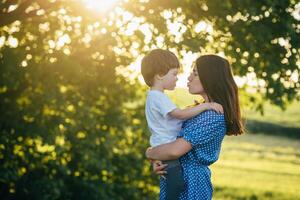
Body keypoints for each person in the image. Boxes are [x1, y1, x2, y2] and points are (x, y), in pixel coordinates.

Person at [146, 54, 244, 200]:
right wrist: (158, 160)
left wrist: (150, 153)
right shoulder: (200, 110)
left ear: (210, 78)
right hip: (178, 175)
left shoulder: (213, 116)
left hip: (192, 183)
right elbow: (169, 142)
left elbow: (174, 150)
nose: (189, 77)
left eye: (195, 73)